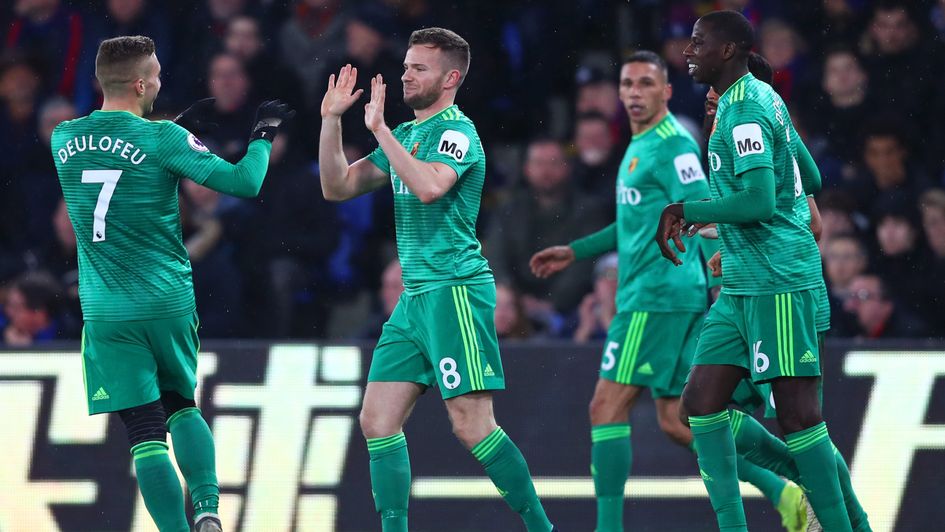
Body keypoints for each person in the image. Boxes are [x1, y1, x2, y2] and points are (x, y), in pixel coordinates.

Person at [530, 51, 803, 532]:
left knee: (605, 407)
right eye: (628, 84)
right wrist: (576, 251)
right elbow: (636, 224)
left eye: (646, 84)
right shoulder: (641, 145)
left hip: (657, 297)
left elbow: (703, 208)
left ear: (667, 91)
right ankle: (788, 488)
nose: (635, 93)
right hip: (661, 294)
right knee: (681, 421)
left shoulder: (673, 146)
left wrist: (721, 279)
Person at [51, 35, 293, 532]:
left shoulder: (63, 139)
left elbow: (116, 162)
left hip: (106, 310)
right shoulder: (163, 139)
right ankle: (207, 508)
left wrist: (174, 130)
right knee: (181, 406)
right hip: (165, 300)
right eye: (157, 76)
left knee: (144, 433)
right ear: (141, 84)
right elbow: (245, 182)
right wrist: (263, 135)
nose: (160, 84)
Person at [318, 29, 555, 532]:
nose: (405, 75)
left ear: (450, 78)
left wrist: (380, 131)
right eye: (406, 66)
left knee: (472, 426)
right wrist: (331, 120)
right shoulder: (406, 135)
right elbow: (337, 186)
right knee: (377, 420)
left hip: (455, 291)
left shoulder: (458, 133)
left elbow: (430, 186)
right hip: (414, 299)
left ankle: (542, 528)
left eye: (418, 68)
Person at [656, 11, 857, 530]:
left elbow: (762, 201)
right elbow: (810, 177)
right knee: (699, 405)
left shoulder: (744, 111)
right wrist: (734, 239)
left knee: (799, 418)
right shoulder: (758, 101)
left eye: (698, 42)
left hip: (778, 283)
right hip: (743, 285)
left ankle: (843, 521)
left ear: (727, 50)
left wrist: (687, 209)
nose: (688, 51)